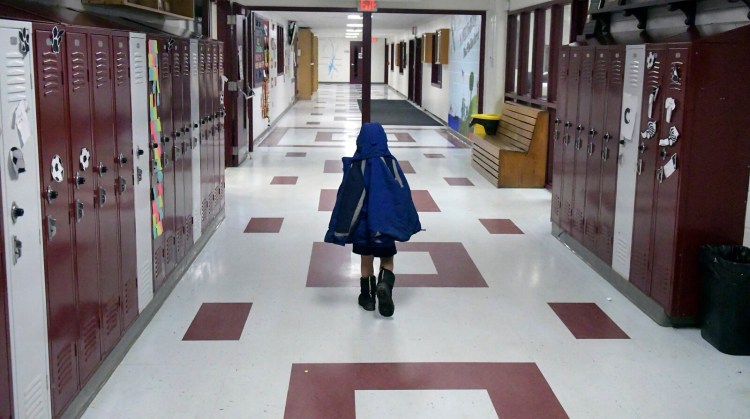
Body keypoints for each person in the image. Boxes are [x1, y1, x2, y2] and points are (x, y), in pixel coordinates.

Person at [325, 122, 421, 317]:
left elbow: (347, 198)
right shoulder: (390, 163)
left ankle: (367, 298)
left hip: (363, 228)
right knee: (387, 258)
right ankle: (384, 284)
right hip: (385, 225)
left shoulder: (356, 166)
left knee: (365, 261)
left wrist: (339, 227)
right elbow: (402, 193)